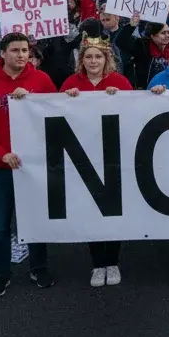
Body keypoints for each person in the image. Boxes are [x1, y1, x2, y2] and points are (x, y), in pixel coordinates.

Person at [0, 31, 58, 297]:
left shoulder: (41, 80)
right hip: (1, 168)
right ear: (2, 54)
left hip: (33, 167)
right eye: (16, 51)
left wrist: (31, 99)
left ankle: (38, 266)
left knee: (35, 222)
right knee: (0, 226)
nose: (21, 56)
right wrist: (0, 154)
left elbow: (56, 112)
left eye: (25, 51)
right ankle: (1, 273)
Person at [61, 35, 133, 287]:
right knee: (90, 210)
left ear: (107, 59)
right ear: (81, 60)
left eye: (98, 56)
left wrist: (119, 99)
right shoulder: (71, 83)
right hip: (83, 157)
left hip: (113, 156)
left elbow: (135, 115)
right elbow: (56, 117)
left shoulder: (119, 82)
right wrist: (67, 100)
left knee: (112, 210)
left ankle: (112, 261)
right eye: (88, 57)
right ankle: (97, 263)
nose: (93, 61)